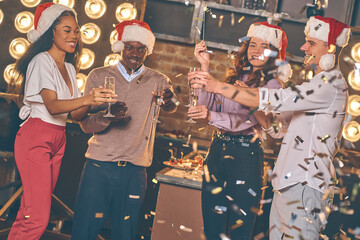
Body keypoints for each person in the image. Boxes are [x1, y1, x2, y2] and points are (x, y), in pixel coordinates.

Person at [190, 16, 351, 240]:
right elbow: (277, 128)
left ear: (331, 48)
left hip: (305, 184)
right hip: (288, 183)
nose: (303, 47)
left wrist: (218, 86)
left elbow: (275, 98)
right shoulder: (317, 82)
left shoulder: (329, 85)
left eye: (311, 43)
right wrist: (248, 99)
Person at [6, 3, 115, 240]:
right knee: (38, 218)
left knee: (28, 212)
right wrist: (87, 97)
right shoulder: (41, 61)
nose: (74, 35)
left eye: (76, 31)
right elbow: (53, 106)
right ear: (50, 32)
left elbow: (75, 115)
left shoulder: (68, 67)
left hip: (58, 138)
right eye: (67, 30)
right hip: (36, 137)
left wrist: (94, 98)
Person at [71, 19, 177, 240]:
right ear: (121, 47)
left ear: (147, 51)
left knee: (125, 235)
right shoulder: (98, 76)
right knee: (84, 232)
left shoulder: (159, 80)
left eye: (141, 49)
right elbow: (84, 124)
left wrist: (169, 103)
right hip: (98, 167)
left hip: (134, 172)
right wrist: (108, 118)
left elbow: (171, 105)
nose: (135, 53)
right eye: (130, 47)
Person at [187, 22, 288, 240]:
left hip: (246, 155)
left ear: (273, 53)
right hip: (216, 151)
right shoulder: (233, 78)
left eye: (264, 46)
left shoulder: (272, 86)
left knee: (239, 230)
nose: (256, 50)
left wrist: (211, 116)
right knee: (213, 226)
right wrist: (204, 67)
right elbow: (207, 107)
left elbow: (244, 121)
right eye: (253, 45)